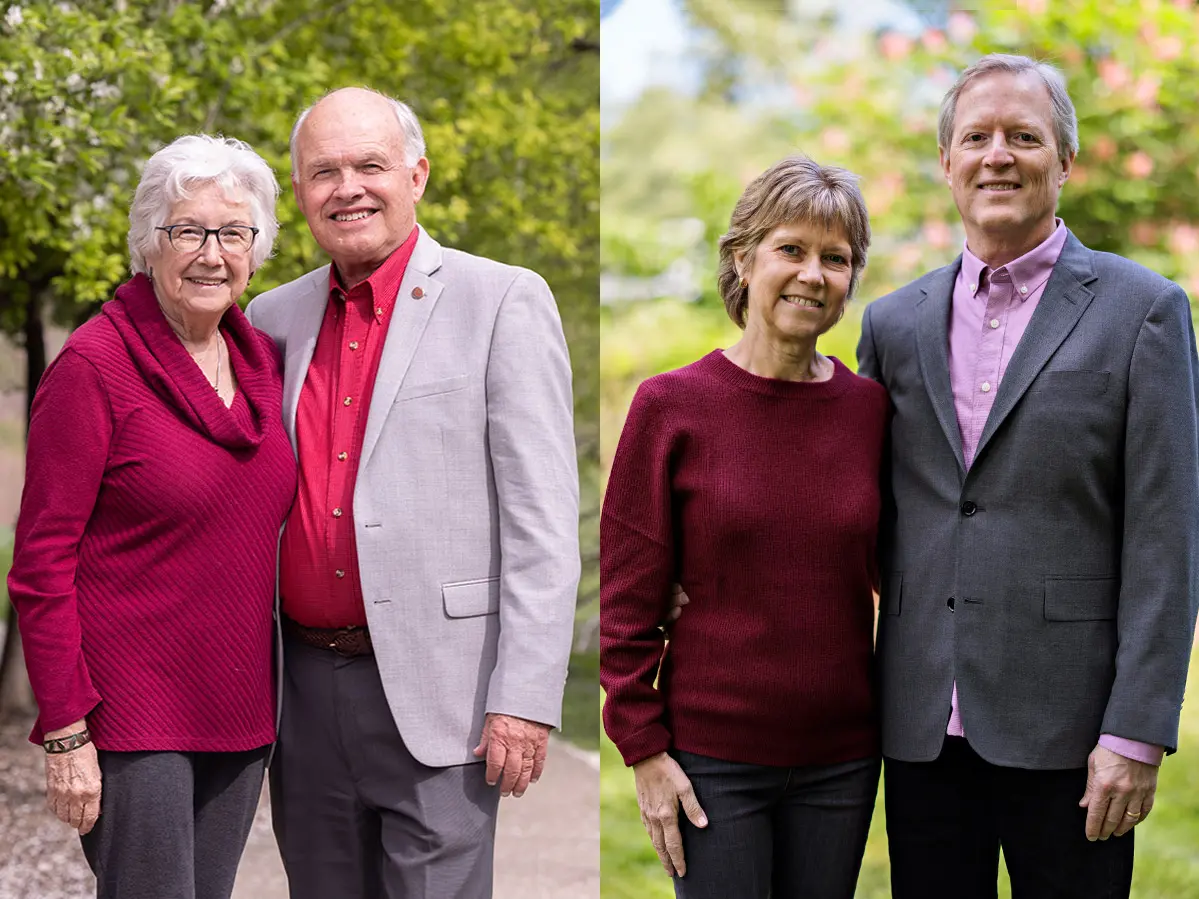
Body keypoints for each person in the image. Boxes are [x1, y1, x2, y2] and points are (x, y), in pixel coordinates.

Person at [856, 53, 1199, 898]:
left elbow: (1167, 535)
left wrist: (1136, 729)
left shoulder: (1143, 309)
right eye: (975, 137)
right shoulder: (891, 323)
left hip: (1073, 728)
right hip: (921, 724)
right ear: (946, 163)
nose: (996, 155)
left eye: (1023, 136)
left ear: (1064, 160)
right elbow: (851, 505)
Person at [243, 87, 579, 898]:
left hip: (448, 697)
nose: (347, 187)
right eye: (324, 171)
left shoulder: (501, 298)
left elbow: (541, 522)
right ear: (299, 193)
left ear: (417, 174)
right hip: (303, 695)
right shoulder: (268, 317)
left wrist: (524, 699)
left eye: (370, 165)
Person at [6, 134, 297, 898]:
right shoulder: (95, 368)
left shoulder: (263, 360)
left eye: (232, 232)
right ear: (147, 243)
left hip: (239, 709)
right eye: (188, 230)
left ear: (256, 249)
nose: (211, 253)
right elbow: (41, 563)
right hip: (133, 716)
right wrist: (66, 730)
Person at [600, 156, 887, 899]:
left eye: (835, 258)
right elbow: (627, 601)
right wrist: (643, 750)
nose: (812, 274)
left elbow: (901, 567)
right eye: (790, 249)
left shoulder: (870, 413)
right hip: (711, 759)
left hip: (843, 757)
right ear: (743, 258)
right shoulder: (671, 406)